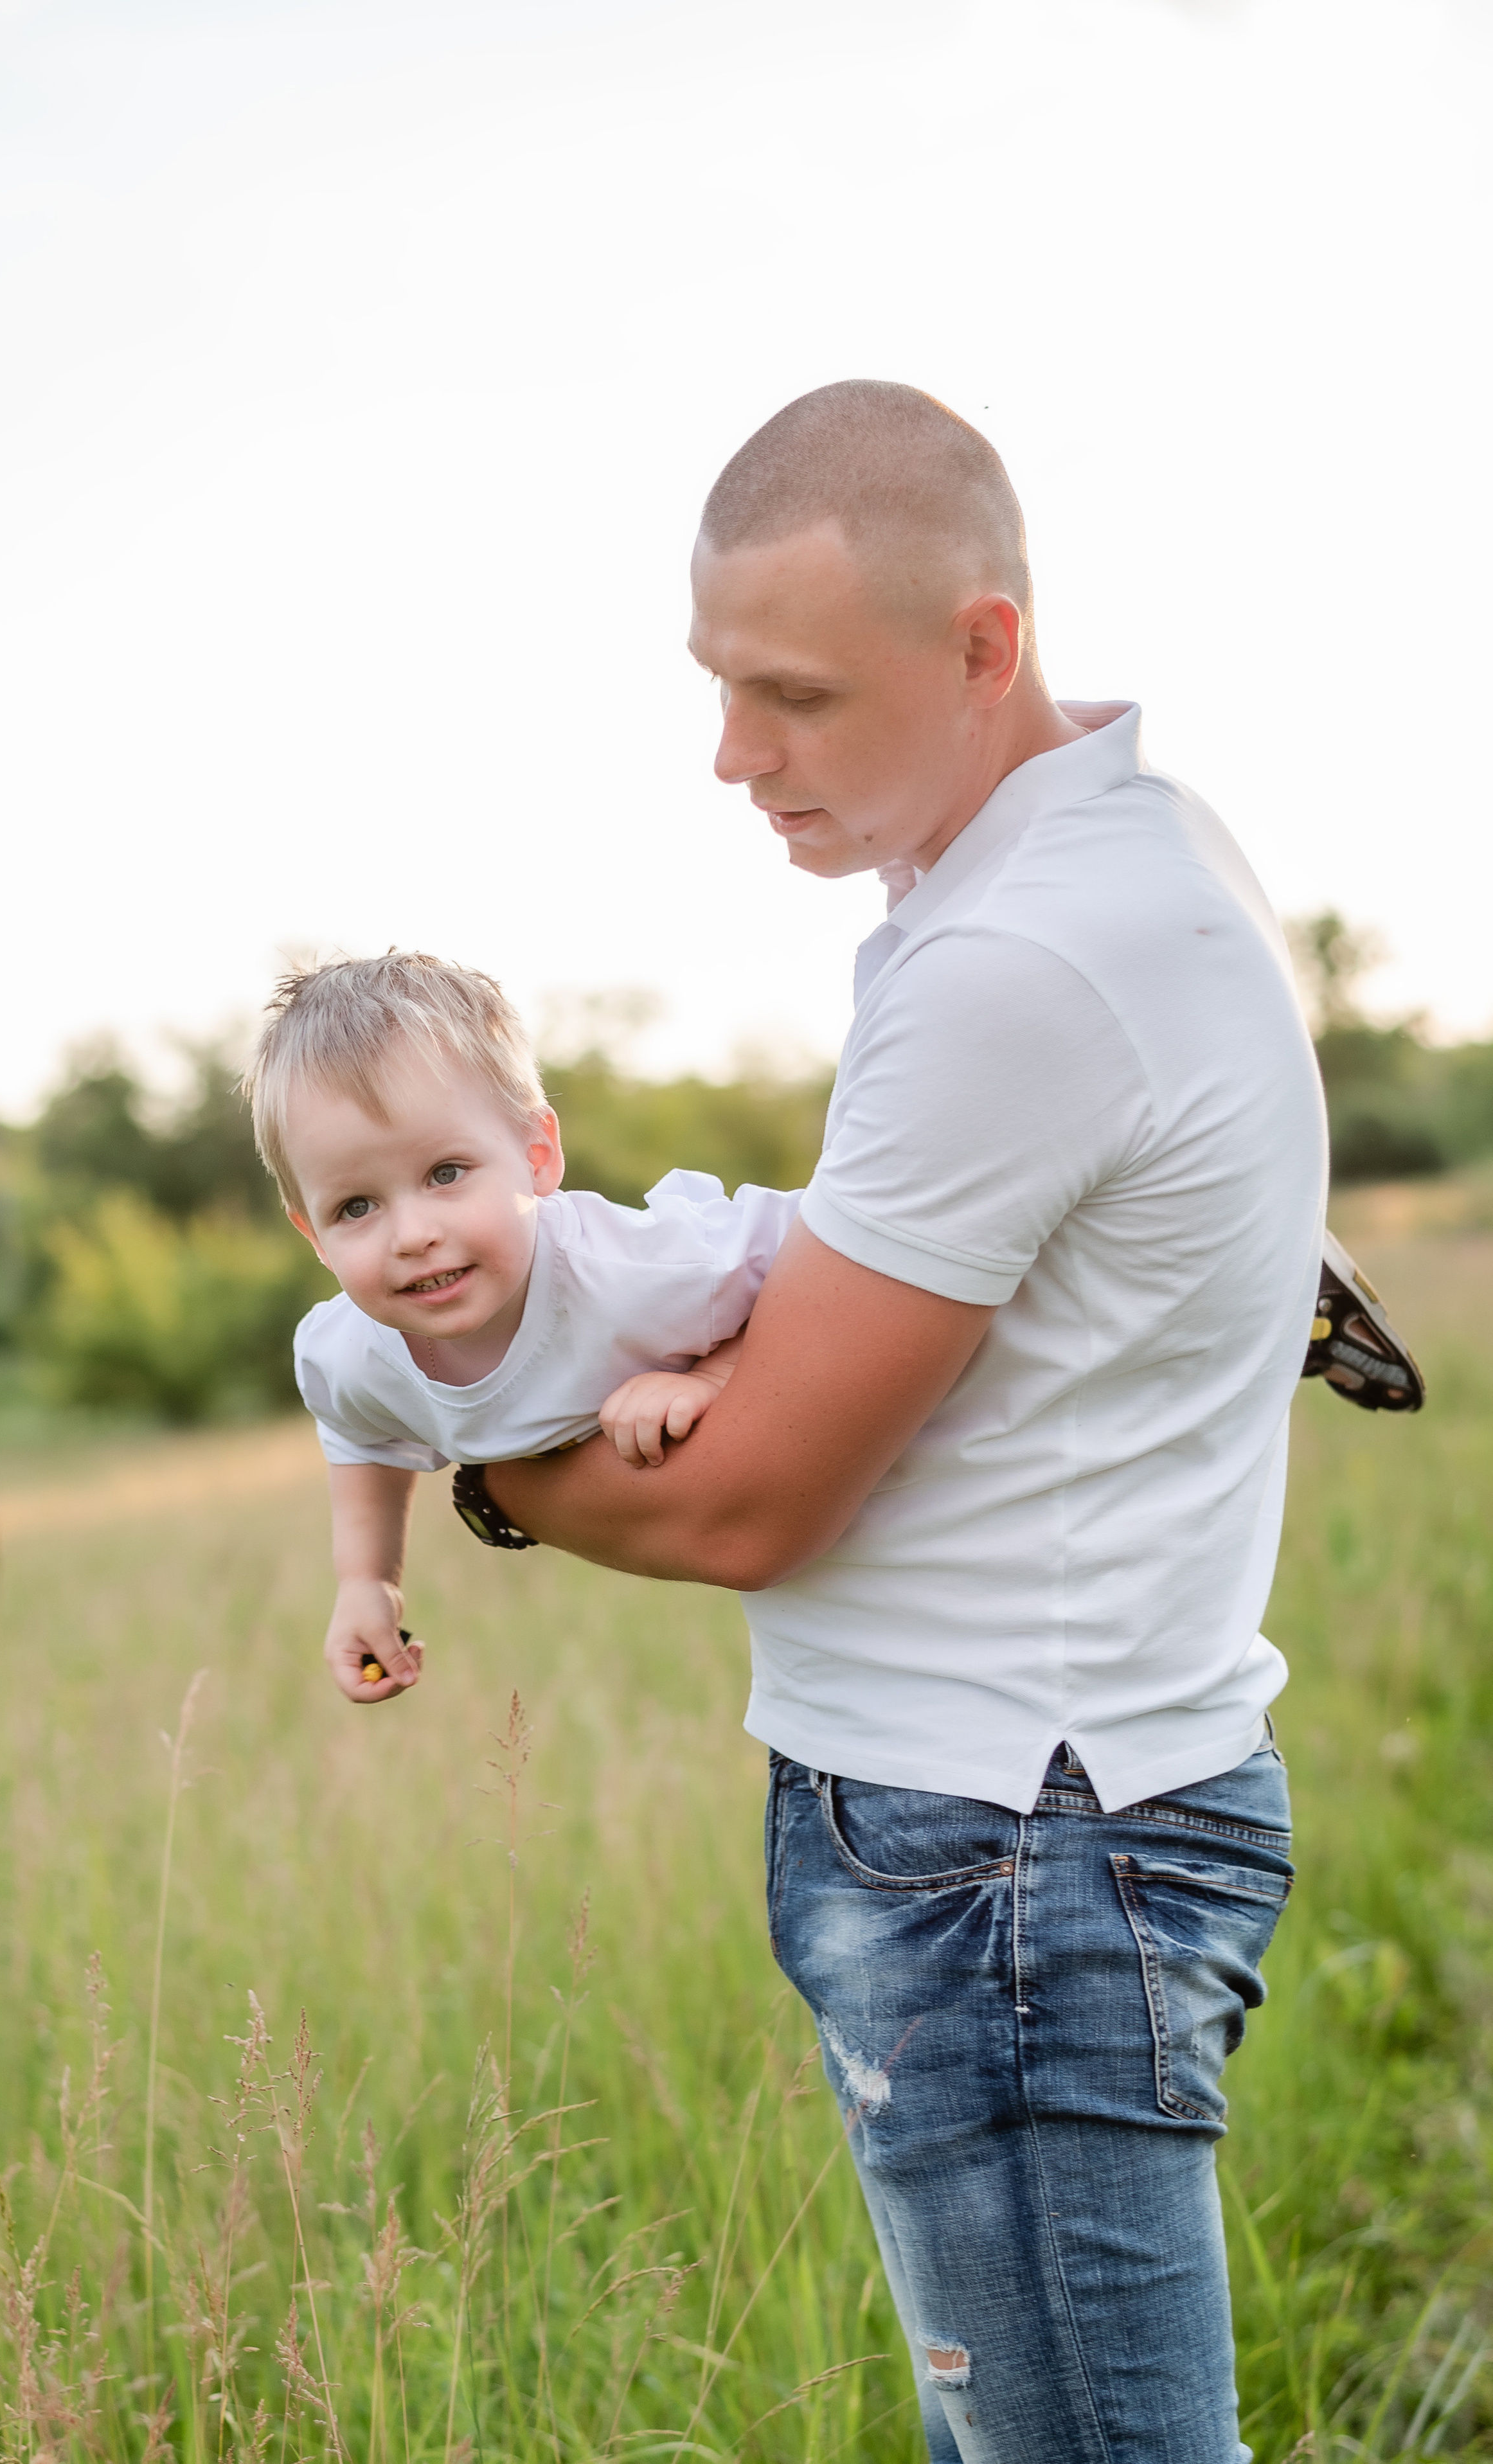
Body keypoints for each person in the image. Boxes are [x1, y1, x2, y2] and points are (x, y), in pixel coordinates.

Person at [471, 381, 1328, 2464]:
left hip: (1011, 1848)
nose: (735, 754)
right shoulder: (1119, 847)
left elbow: (754, 1494)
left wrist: (481, 1456)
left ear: (982, 647)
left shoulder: (1017, 955)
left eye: (795, 696)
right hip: (1041, 1815)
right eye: (719, 686)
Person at [243, 950, 800, 1699]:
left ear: (537, 1156)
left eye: (445, 1173)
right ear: (312, 1234)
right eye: (355, 1207)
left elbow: (834, 1248)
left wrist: (717, 1370)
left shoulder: (647, 1274)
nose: (411, 1234)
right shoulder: (346, 1354)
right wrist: (368, 1580)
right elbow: (360, 1434)